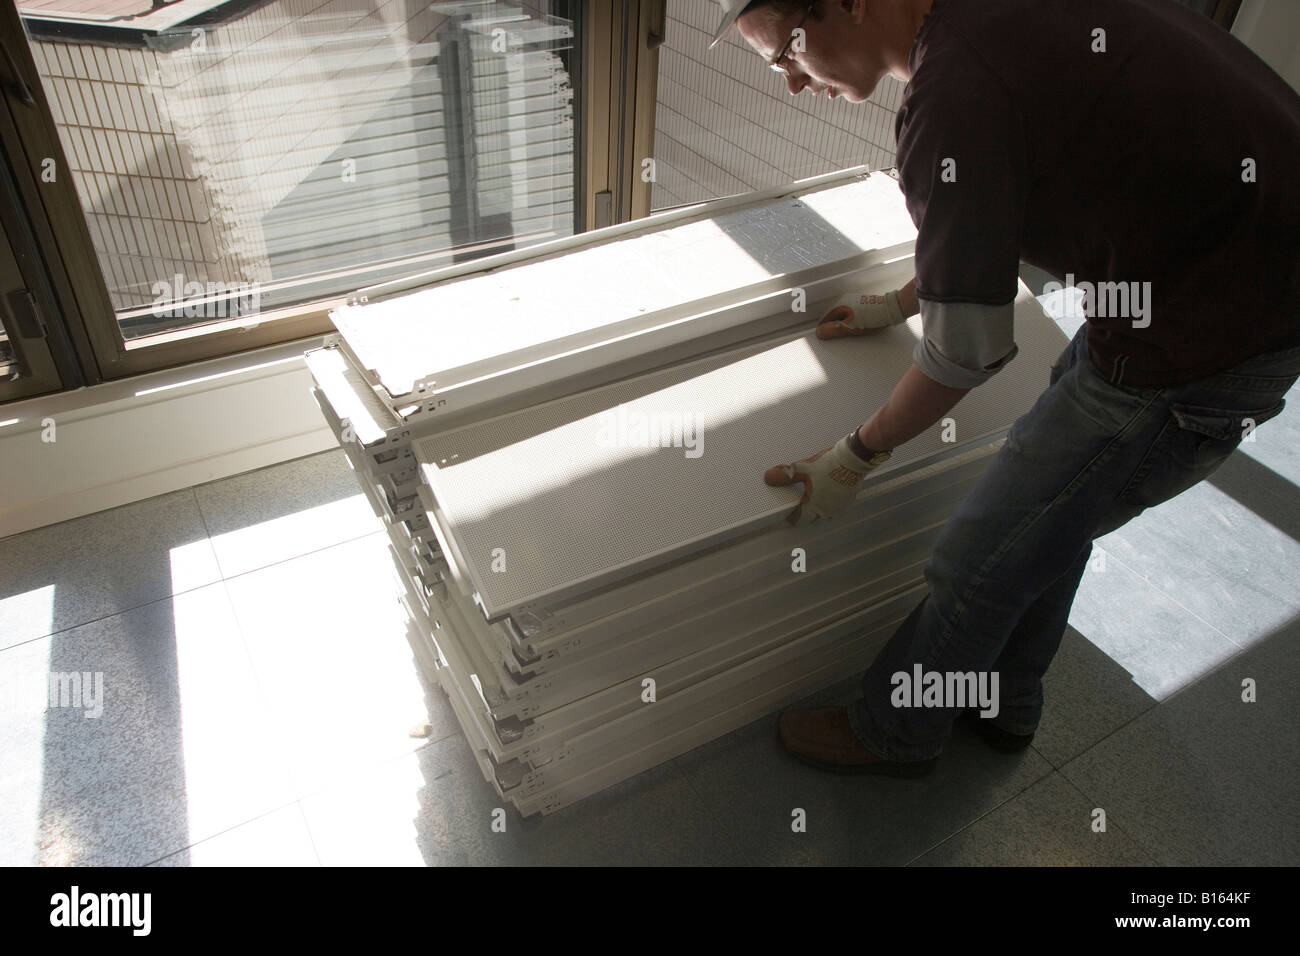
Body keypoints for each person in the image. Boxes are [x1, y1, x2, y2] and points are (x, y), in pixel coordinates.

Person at [708, 0, 1300, 774]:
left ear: (850, 5)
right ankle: (1007, 697)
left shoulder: (954, 91)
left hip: (1209, 331)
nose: (790, 83)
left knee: (978, 559)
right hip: (1223, 267)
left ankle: (896, 733)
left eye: (786, 52)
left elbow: (965, 358)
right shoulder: (983, 27)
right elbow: (1000, 193)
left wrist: (852, 456)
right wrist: (904, 301)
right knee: (1057, 513)